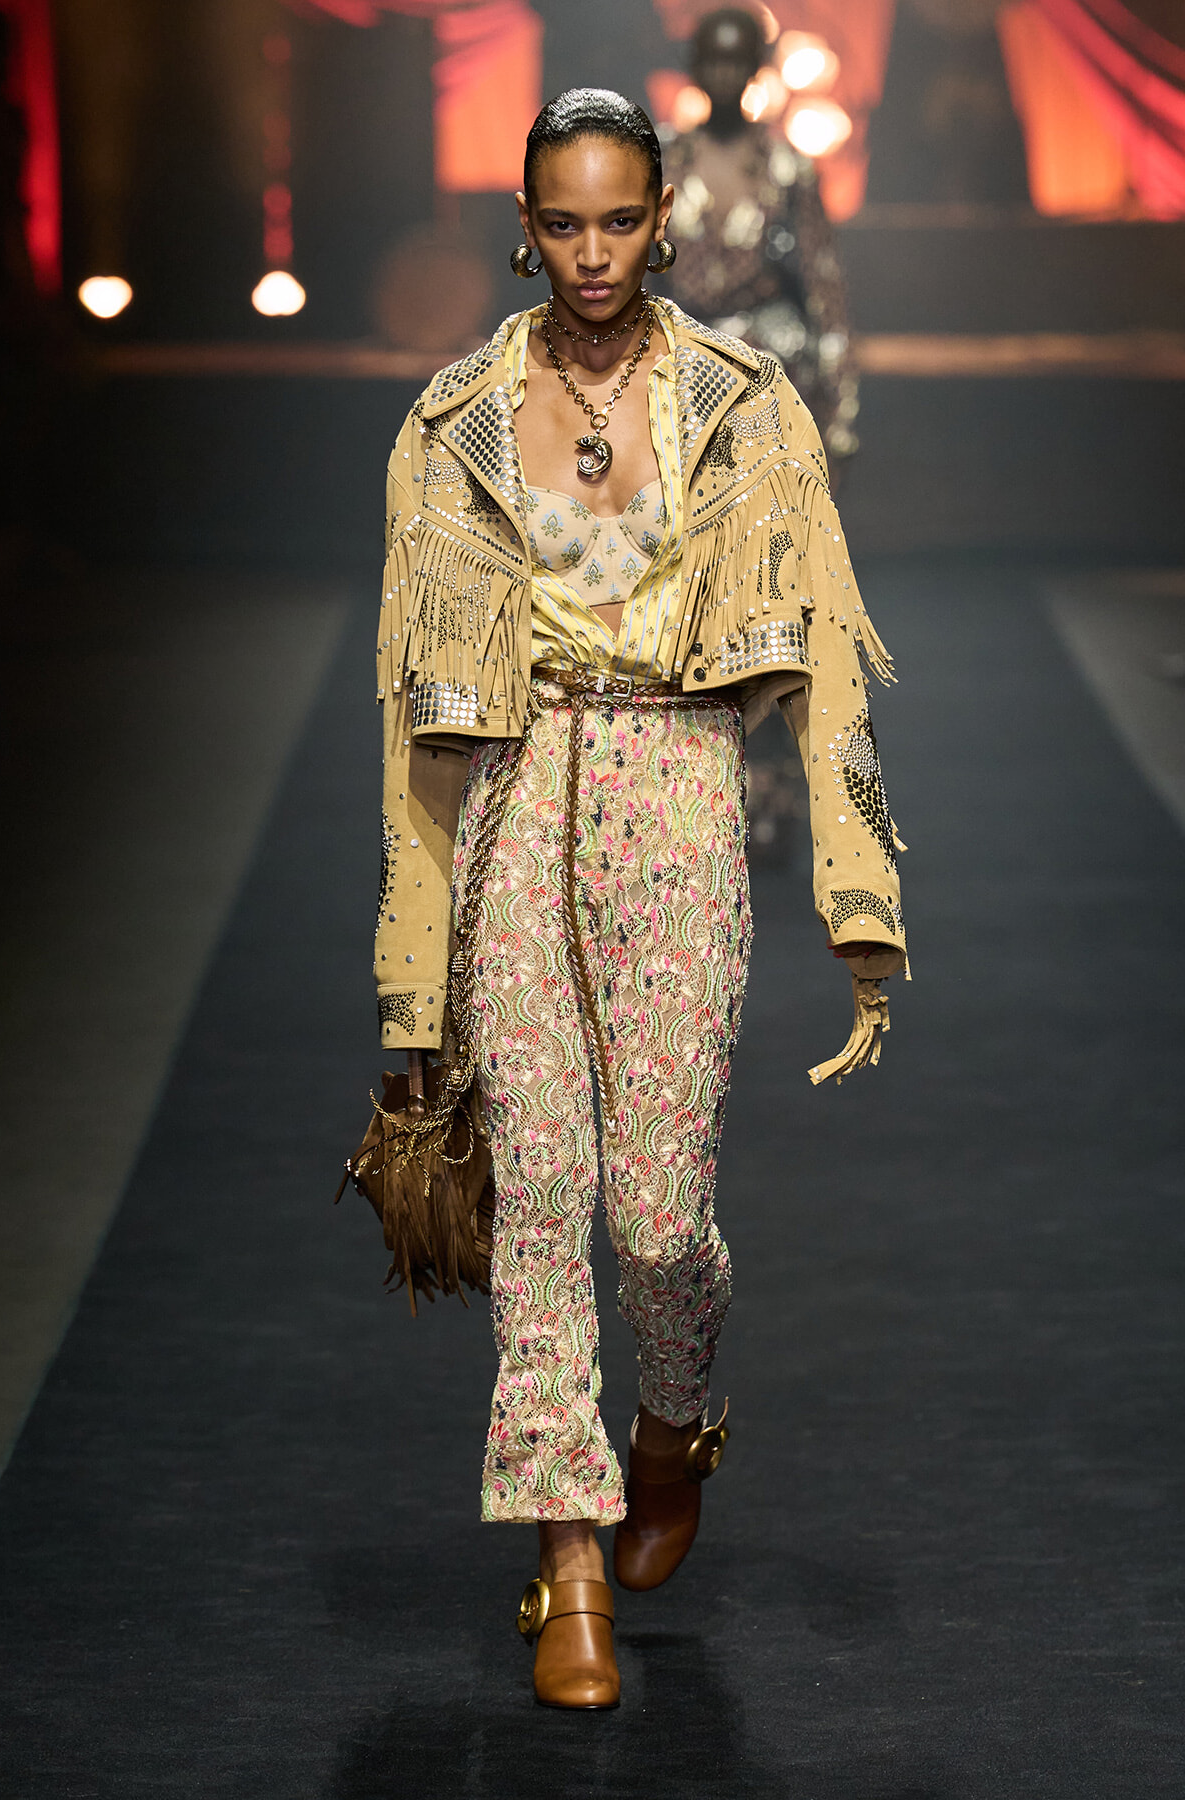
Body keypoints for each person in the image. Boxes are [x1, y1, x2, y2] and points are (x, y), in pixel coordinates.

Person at [374, 88, 906, 1710]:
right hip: (516, 800)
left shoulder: (746, 407)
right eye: (564, 223)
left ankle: (673, 1422)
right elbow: (411, 729)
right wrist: (409, 985)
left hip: (680, 795)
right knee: (542, 1188)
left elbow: (828, 659)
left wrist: (857, 884)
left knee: (662, 1219)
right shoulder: (452, 422)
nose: (593, 252)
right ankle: (572, 1556)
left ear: (663, 217)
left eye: (620, 220)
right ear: (523, 227)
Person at [663, 8, 860, 477]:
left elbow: (824, 283)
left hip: (772, 374)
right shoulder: (661, 161)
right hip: (680, 371)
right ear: (694, 65)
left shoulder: (786, 167)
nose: (724, 73)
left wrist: (841, 410)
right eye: (713, 60)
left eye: (736, 61)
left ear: (756, 67)